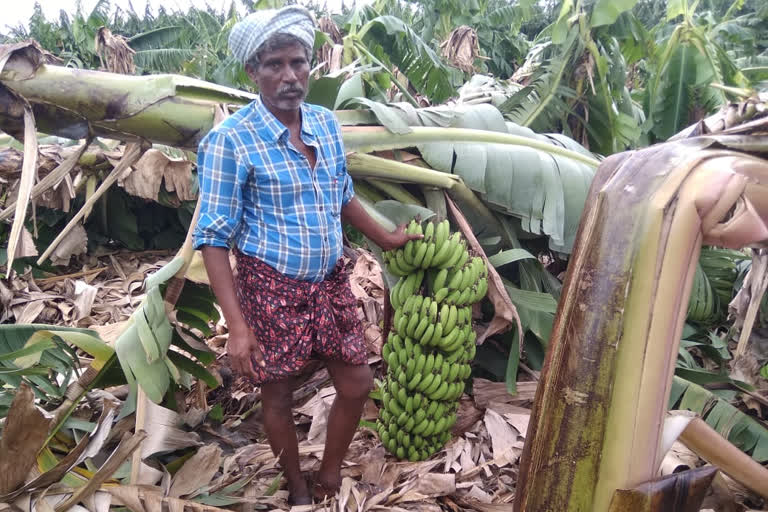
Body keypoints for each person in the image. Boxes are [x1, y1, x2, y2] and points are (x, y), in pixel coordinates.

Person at [192, 6, 420, 505]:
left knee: (357, 382)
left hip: (330, 280)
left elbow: (340, 192)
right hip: (271, 285)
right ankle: (296, 484)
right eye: (274, 64)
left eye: (298, 62)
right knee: (277, 392)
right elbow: (212, 237)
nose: (290, 76)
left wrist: (386, 239)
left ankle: (330, 476)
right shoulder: (230, 142)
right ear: (252, 71)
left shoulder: (323, 122)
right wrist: (237, 326)